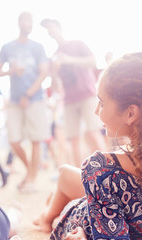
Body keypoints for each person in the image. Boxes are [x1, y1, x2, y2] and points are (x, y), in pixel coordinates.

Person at [35, 51, 142, 239]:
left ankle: (48, 216)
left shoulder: (104, 169)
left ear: (131, 114)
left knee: (67, 177)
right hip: (84, 215)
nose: (96, 110)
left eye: (101, 103)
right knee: (66, 179)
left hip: (89, 216)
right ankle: (47, 217)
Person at [40, 18, 107, 167]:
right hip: (69, 100)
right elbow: (55, 88)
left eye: (51, 28)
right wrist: (55, 73)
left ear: (59, 27)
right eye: (47, 30)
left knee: (93, 133)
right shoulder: (54, 57)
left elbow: (92, 62)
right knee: (74, 139)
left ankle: (110, 168)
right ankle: (80, 176)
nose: (50, 32)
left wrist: (68, 60)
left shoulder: (77, 44)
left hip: (88, 95)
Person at [0, 12, 50, 193]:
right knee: (13, 140)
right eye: (27, 21)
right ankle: (30, 171)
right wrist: (10, 71)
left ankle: (31, 179)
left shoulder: (38, 47)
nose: (30, 24)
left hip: (34, 99)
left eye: (31, 21)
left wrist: (29, 94)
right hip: (14, 99)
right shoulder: (7, 47)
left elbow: (44, 72)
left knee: (36, 139)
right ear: (19, 22)